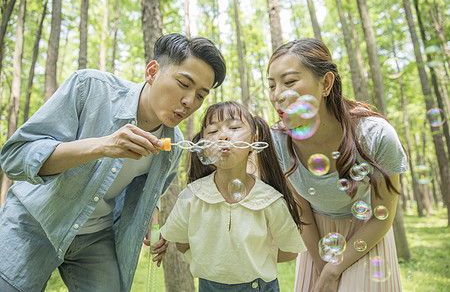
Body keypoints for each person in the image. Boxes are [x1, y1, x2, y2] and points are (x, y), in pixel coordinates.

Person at [0, 33, 226, 292]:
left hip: (94, 238)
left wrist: (152, 222)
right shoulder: (89, 87)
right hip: (34, 223)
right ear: (152, 72)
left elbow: (147, 192)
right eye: (184, 84)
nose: (189, 102)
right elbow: (15, 157)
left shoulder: (172, 146)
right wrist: (103, 146)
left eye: (200, 95)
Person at [266, 38, 408, 291]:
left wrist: (335, 268)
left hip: (366, 236)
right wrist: (323, 267)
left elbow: (381, 215)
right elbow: (302, 212)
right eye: (271, 85)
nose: (277, 95)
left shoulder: (376, 135)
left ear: (326, 83)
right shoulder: (277, 140)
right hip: (315, 239)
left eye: (289, 82)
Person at [160, 101, 306, 291]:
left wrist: (250, 262)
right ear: (204, 146)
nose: (222, 136)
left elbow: (289, 252)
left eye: (234, 127)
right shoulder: (191, 196)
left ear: (254, 140)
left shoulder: (269, 200)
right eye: (212, 132)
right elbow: (181, 243)